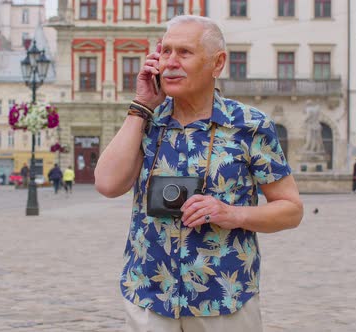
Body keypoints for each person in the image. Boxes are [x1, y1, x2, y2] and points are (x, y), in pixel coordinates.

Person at [94, 15, 303, 331]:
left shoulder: (249, 125)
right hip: (150, 296)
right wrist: (141, 105)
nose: (170, 63)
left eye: (184, 53)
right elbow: (107, 184)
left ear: (217, 63)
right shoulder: (147, 121)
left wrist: (232, 214)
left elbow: (291, 210)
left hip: (222, 298)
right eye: (165, 52)